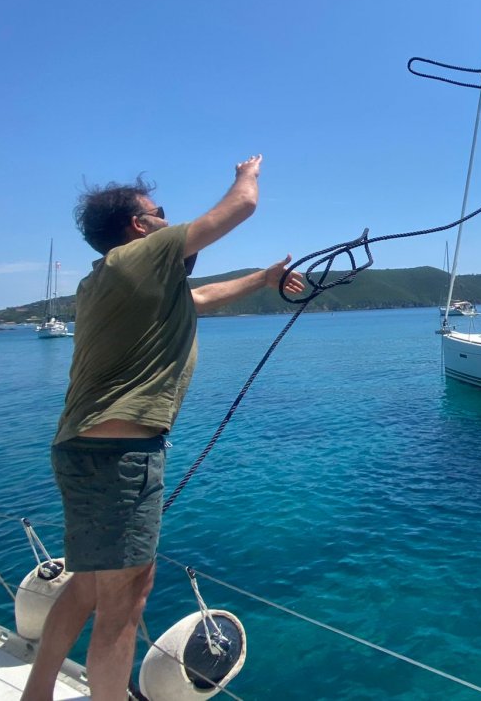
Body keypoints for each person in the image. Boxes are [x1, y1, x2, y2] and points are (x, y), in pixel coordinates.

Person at [23, 154, 304, 701]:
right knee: (126, 600)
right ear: (138, 226)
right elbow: (240, 207)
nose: (166, 220)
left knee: (87, 585)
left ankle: (36, 694)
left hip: (84, 449)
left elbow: (198, 298)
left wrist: (265, 279)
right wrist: (248, 173)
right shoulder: (138, 257)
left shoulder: (109, 280)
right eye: (159, 213)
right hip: (120, 456)